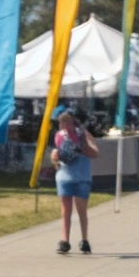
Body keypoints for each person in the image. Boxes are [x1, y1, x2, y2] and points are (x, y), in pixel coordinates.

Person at [50, 107, 99, 254]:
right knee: (65, 210)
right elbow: (55, 155)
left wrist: (82, 147)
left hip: (82, 177)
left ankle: (84, 239)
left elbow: (95, 153)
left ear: (74, 122)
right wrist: (54, 157)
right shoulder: (60, 136)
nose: (65, 127)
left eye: (68, 123)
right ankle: (64, 240)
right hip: (64, 176)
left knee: (81, 210)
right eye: (62, 124)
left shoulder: (83, 135)